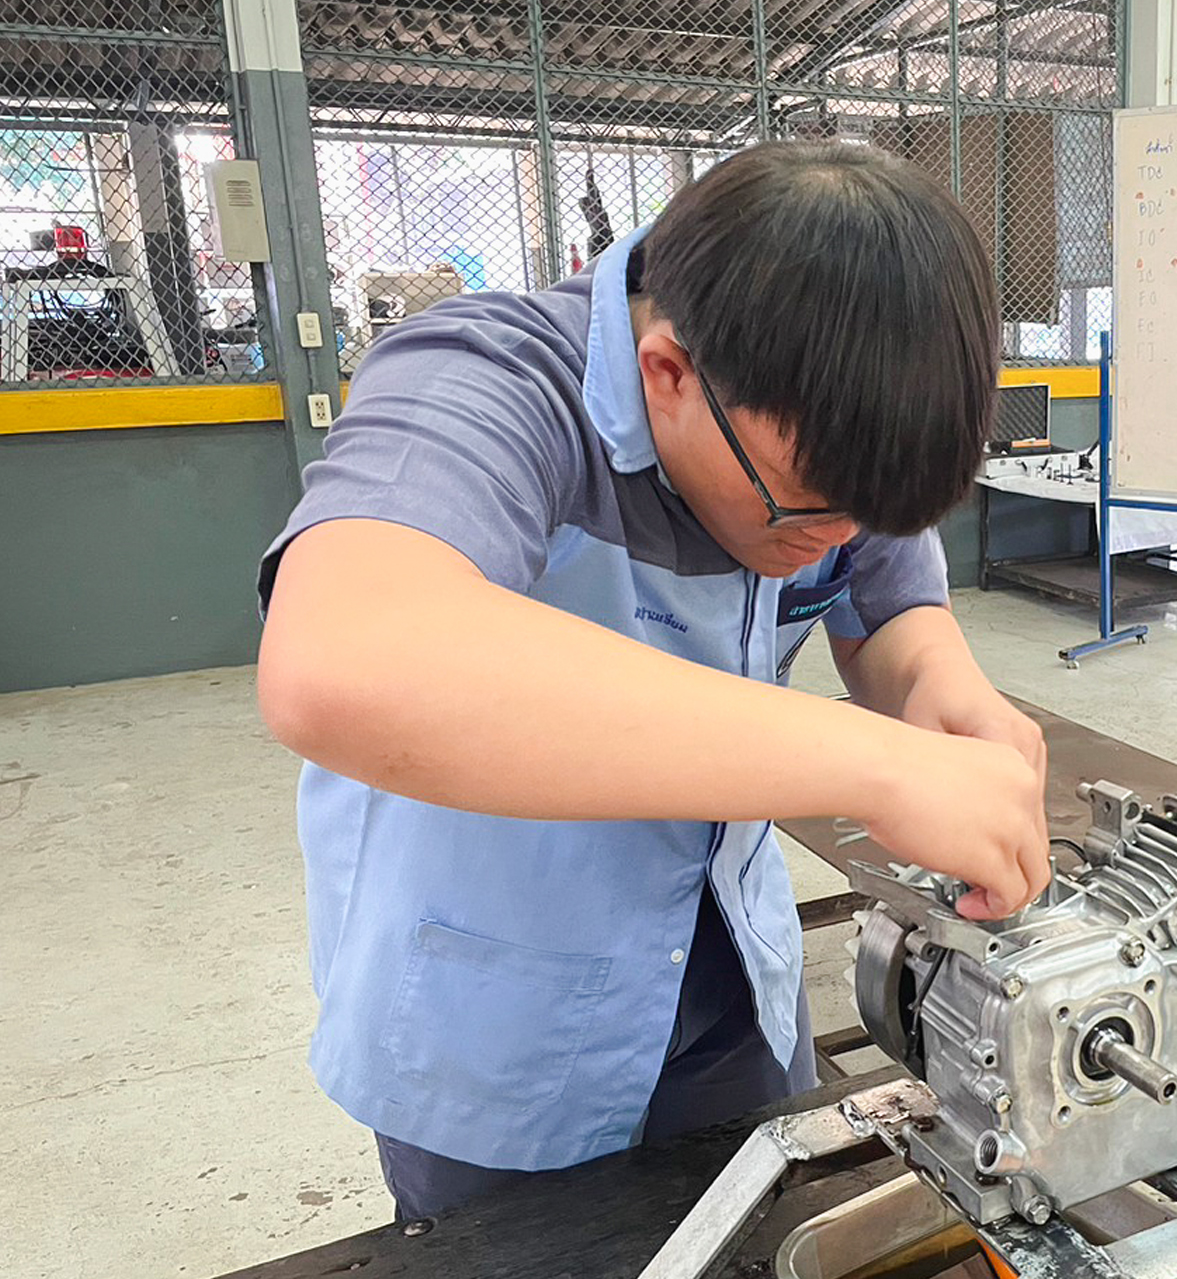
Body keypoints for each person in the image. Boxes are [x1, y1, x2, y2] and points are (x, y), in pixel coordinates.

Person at [256, 142, 1051, 1220]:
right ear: (667, 371)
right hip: (498, 1013)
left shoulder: (812, 439)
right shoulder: (483, 383)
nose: (833, 538)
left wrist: (945, 705)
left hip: (722, 972)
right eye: (807, 510)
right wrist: (871, 763)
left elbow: (892, 617)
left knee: (756, 1265)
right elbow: (343, 663)